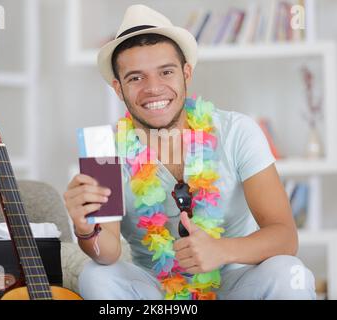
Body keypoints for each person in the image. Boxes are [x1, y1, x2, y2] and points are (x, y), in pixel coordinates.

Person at [64, 4, 316, 300]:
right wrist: (85, 229)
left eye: (166, 72)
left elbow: (285, 236)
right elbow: (106, 254)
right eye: (136, 78)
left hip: (236, 283)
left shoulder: (237, 131)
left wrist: (220, 251)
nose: (153, 88)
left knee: (290, 273)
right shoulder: (103, 149)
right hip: (156, 291)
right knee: (98, 275)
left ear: (186, 74)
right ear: (118, 89)